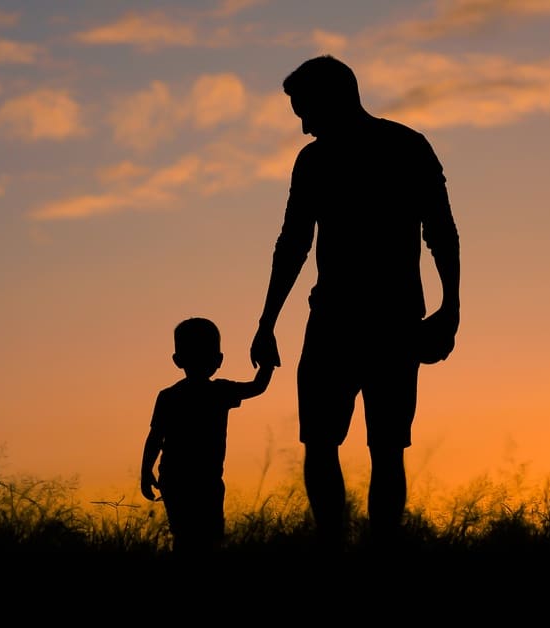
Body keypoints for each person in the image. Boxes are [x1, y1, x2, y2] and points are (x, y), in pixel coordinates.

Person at [249, 55, 461, 551]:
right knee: (347, 446)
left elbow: (441, 233)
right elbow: (294, 242)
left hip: (370, 322)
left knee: (368, 447)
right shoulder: (347, 155)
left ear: (333, 98)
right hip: (359, 320)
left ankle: (358, 547)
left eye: (306, 111)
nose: (302, 127)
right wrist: (267, 321)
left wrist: (451, 309)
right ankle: (340, 546)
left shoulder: (398, 149)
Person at [141, 316, 275, 554]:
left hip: (180, 478)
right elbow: (258, 386)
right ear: (219, 359)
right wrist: (267, 364)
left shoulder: (170, 396)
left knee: (187, 536)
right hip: (196, 479)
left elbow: (154, 438)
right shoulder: (218, 392)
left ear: (177, 360)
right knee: (207, 537)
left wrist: (145, 471)